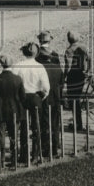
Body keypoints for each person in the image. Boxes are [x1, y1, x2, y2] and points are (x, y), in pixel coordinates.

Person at [13, 42, 50, 164]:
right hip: (35, 97)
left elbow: (14, 83)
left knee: (23, 127)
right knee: (36, 126)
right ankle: (35, 155)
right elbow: (46, 87)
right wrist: (41, 97)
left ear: (24, 52)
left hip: (22, 98)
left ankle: (24, 155)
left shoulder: (18, 66)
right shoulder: (39, 67)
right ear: (36, 53)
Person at [0, 55, 25, 167]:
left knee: (0, 137)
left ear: (1, 64)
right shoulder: (17, 79)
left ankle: (0, 160)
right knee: (14, 136)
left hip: (0, 111)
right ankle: (14, 160)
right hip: (14, 111)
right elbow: (22, 97)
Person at [35, 30, 63, 158]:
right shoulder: (55, 55)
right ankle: (56, 144)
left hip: (43, 93)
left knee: (44, 121)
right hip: (55, 93)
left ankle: (46, 148)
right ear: (49, 41)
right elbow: (60, 78)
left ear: (39, 41)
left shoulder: (36, 56)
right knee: (55, 120)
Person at [62, 31, 91, 132]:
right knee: (77, 99)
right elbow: (89, 59)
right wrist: (88, 71)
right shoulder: (84, 47)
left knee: (73, 101)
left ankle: (78, 124)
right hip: (81, 76)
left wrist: (64, 76)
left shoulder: (69, 50)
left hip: (72, 77)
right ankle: (79, 123)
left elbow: (68, 66)